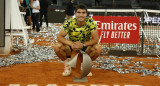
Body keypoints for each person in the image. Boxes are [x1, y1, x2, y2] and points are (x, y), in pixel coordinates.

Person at [53, 4, 102, 76]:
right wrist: (72, 44)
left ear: (86, 14)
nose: (81, 15)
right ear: (75, 13)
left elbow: (96, 39)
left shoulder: (91, 22)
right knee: (57, 46)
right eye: (79, 12)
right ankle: (68, 64)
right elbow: (59, 37)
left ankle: (86, 65)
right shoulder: (69, 22)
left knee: (98, 48)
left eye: (83, 13)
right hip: (72, 46)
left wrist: (83, 44)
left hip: (85, 46)